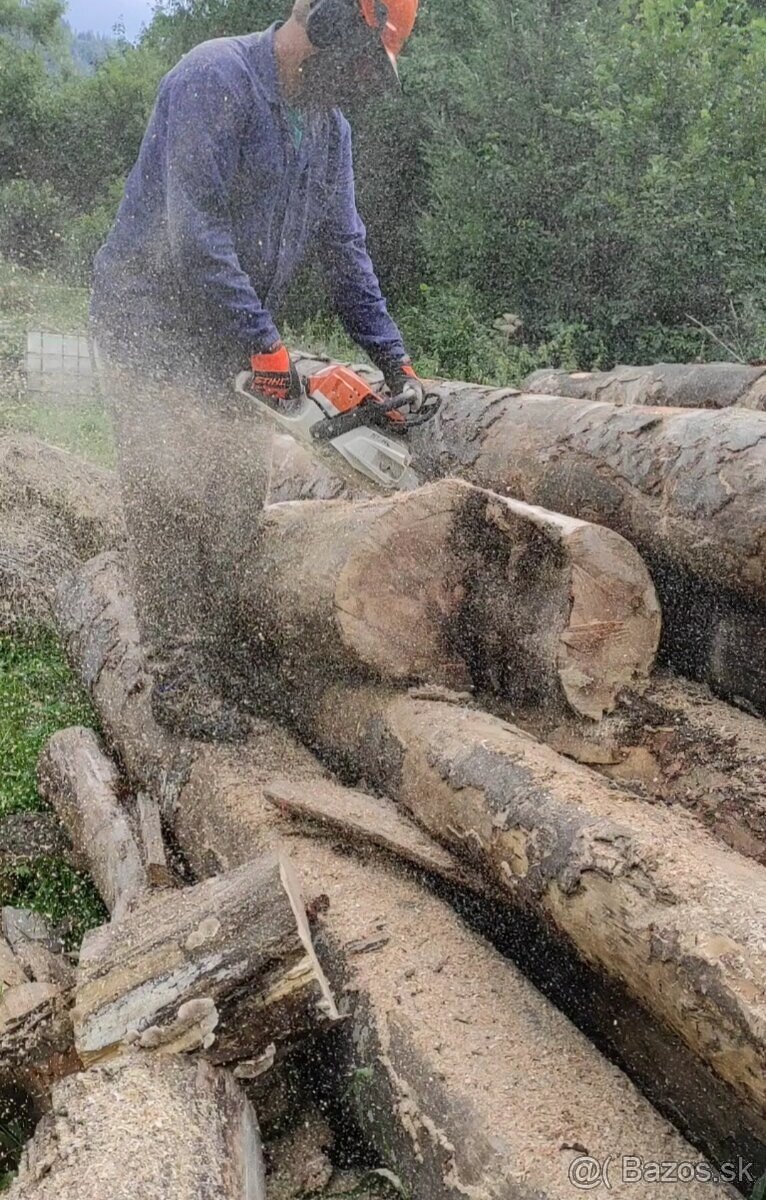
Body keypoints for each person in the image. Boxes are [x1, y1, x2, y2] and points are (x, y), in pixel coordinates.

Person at [90, 0, 422, 742]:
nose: (361, 80)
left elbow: (345, 246)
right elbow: (193, 231)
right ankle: (176, 676)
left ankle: (224, 660)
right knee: (172, 490)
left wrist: (392, 356)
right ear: (331, 21)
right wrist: (263, 341)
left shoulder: (327, 128)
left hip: (230, 338)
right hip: (151, 324)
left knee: (236, 491)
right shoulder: (216, 79)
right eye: (363, 57)